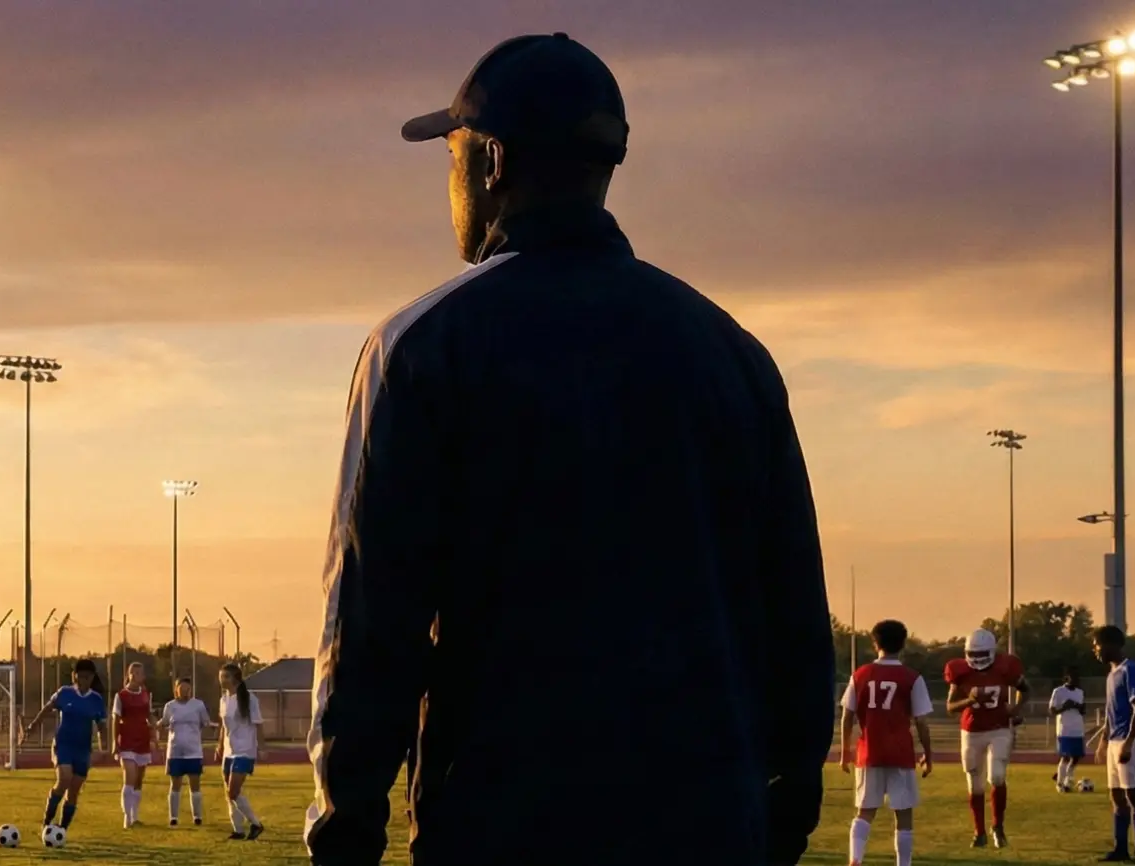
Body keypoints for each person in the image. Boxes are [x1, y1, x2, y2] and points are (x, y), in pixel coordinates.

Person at [304, 30, 832, 866]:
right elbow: (794, 611)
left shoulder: (424, 345)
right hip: (709, 820)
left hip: (504, 818)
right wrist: (788, 799)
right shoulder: (730, 351)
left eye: (454, 153)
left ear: (494, 163)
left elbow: (376, 620)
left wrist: (347, 822)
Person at [841, 620, 934, 866]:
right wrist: (928, 755)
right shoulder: (911, 678)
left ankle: (855, 859)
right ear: (903, 644)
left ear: (875, 643)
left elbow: (847, 716)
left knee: (864, 811)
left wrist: (845, 752)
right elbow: (922, 722)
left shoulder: (859, 675)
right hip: (900, 753)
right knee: (903, 815)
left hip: (868, 752)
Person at [942, 628, 1024, 848]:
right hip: (971, 730)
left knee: (997, 776)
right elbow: (950, 706)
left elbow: (1025, 689)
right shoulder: (959, 671)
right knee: (974, 783)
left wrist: (1015, 710)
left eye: (981, 654)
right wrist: (968, 700)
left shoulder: (1005, 667)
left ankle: (998, 827)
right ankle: (979, 832)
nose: (977, 659)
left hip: (999, 728)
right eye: (974, 654)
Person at [1094, 625, 1135, 863]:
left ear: (1111, 645)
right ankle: (1121, 849)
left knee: (1134, 794)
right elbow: (1112, 713)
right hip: (1116, 739)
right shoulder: (1111, 674)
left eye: (1097, 645)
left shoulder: (1131, 669)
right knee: (1117, 795)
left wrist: (1129, 742)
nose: (1095, 650)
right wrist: (1104, 740)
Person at [27, 659, 110, 835]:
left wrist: (105, 748)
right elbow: (47, 709)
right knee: (64, 779)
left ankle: (62, 830)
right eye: (79, 677)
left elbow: (102, 726)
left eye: (87, 678)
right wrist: (33, 726)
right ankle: (47, 822)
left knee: (73, 792)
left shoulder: (96, 700)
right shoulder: (65, 693)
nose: (82, 681)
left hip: (82, 750)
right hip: (63, 745)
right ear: (74, 676)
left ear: (92, 678)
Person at [219, 663, 265, 841]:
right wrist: (220, 745)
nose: (222, 680)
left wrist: (262, 747)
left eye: (226, 677)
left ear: (236, 679)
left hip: (245, 749)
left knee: (233, 791)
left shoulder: (249, 698)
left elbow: (258, 724)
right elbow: (224, 725)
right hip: (229, 751)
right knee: (229, 793)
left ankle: (256, 824)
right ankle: (238, 830)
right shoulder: (223, 699)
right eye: (221, 676)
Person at [160, 676, 212, 827]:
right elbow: (164, 723)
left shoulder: (198, 705)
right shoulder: (170, 706)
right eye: (182, 688)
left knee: (195, 784)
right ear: (176, 689)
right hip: (175, 751)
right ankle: (173, 817)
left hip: (193, 751)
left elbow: (205, 722)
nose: (185, 691)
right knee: (175, 784)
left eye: (187, 689)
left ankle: (197, 816)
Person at [112, 662, 158, 828]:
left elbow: (150, 716)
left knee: (139, 779)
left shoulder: (146, 694)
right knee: (129, 777)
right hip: (127, 740)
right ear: (129, 675)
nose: (138, 675)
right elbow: (115, 719)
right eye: (135, 672)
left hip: (142, 738)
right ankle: (127, 818)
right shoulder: (121, 696)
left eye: (141, 672)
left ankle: (135, 815)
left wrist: (154, 736)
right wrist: (113, 741)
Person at [1050, 669, 1089, 792]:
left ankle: (1067, 780)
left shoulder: (1080, 692)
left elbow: (1083, 711)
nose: (1076, 680)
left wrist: (1078, 706)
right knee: (1065, 756)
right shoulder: (1058, 691)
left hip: (1078, 729)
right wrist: (1064, 706)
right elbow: (1052, 710)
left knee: (1076, 757)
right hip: (1064, 729)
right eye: (1073, 677)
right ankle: (1060, 783)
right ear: (1067, 678)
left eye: (1078, 678)